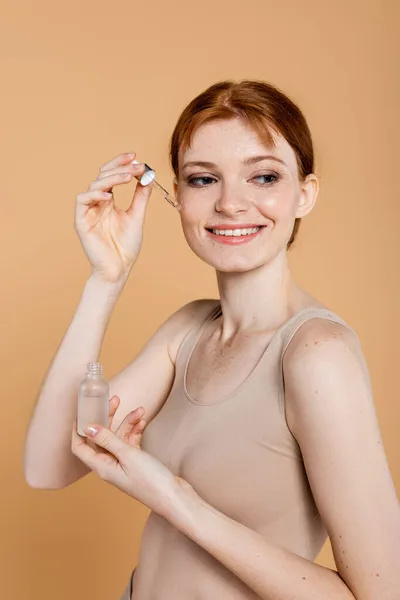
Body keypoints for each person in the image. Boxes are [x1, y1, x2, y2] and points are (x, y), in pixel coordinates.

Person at [23, 80, 399, 600]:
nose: (230, 203)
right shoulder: (188, 331)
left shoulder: (316, 354)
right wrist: (106, 277)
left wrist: (177, 500)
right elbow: (47, 466)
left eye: (264, 176)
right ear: (176, 197)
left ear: (305, 193)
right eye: (203, 180)